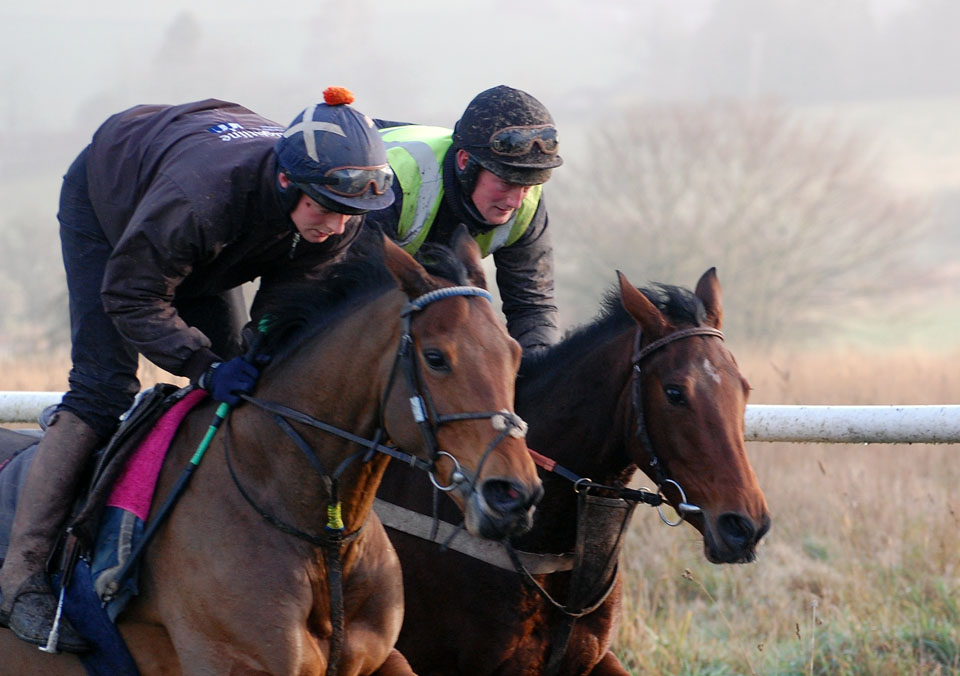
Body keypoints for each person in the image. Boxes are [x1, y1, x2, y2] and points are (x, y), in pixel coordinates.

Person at [0, 87, 394, 652]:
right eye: (326, 210)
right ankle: (21, 578)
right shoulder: (199, 202)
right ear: (288, 181)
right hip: (112, 204)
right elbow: (132, 296)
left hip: (211, 216)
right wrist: (202, 367)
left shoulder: (338, 209)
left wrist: (258, 350)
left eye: (348, 213)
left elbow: (292, 293)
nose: (336, 226)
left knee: (246, 373)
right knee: (102, 388)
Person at [366, 85, 562, 354]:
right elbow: (353, 303)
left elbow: (532, 308)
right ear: (464, 162)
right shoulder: (394, 184)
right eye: (505, 183)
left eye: (527, 186)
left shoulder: (527, 203)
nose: (515, 202)